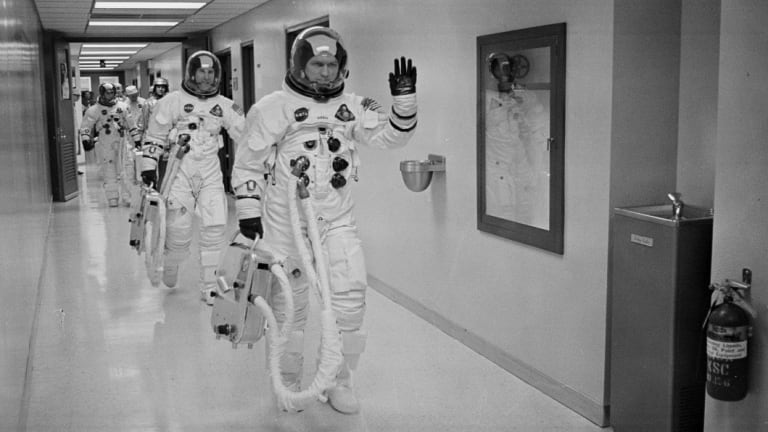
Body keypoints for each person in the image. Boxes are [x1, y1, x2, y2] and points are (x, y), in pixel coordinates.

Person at [231, 26, 417, 414]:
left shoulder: (354, 105)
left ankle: (338, 381)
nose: (325, 72)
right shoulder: (272, 107)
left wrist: (404, 103)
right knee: (290, 310)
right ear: (301, 64)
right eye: (317, 63)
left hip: (335, 219)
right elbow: (248, 164)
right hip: (286, 223)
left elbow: (390, 138)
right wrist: (249, 213)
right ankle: (291, 382)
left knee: (350, 302)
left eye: (332, 64)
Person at [141, 51, 246, 304]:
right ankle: (171, 262)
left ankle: (209, 286)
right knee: (178, 230)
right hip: (180, 170)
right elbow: (155, 136)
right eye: (202, 71)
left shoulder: (225, 104)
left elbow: (246, 136)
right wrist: (148, 165)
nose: (206, 76)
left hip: (210, 172)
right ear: (191, 73)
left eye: (211, 72)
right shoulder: (172, 101)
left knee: (215, 228)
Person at [80, 82, 142, 207]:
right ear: (102, 93)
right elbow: (86, 126)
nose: (110, 95)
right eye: (107, 93)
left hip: (123, 141)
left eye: (112, 92)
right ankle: (112, 197)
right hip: (106, 142)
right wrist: (86, 139)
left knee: (127, 169)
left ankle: (128, 196)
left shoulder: (123, 107)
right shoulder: (94, 110)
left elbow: (131, 124)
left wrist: (137, 139)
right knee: (109, 170)